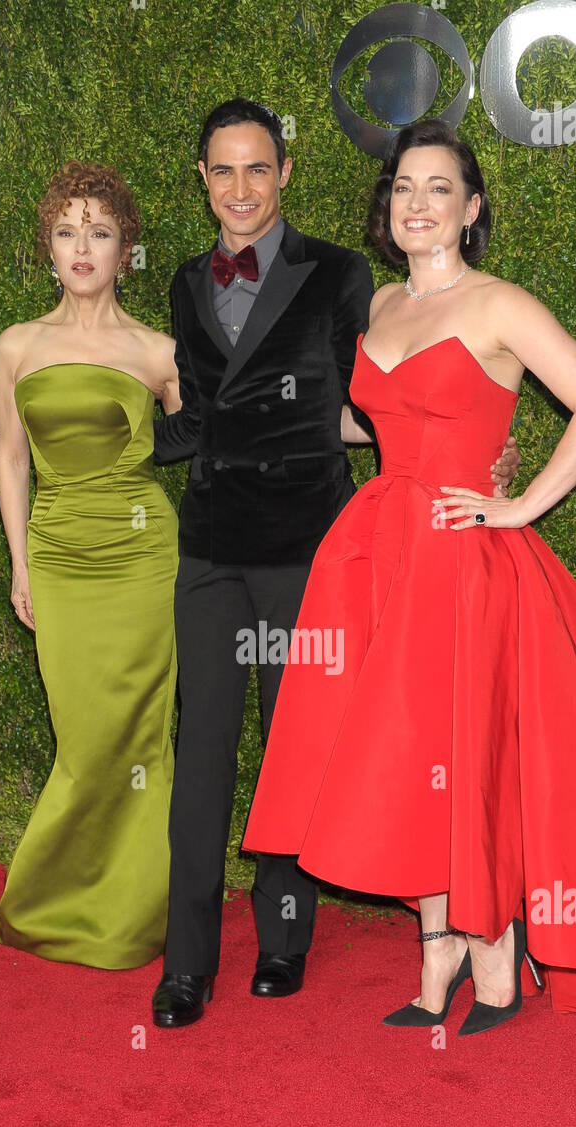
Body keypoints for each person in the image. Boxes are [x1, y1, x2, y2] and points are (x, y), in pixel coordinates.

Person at [242, 117, 576, 1033]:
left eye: (437, 189)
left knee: (463, 753)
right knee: (403, 751)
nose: (417, 204)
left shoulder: (502, 303)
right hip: (378, 551)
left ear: (469, 209)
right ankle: (438, 956)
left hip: (463, 562)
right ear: (386, 209)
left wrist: (517, 504)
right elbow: (372, 423)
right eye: (403, 188)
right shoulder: (381, 305)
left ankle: (495, 957)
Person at [148, 99, 523, 1027]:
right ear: (202, 179)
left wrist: (486, 456)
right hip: (210, 543)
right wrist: (113, 449)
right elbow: (197, 410)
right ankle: (185, 964)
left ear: (284, 174)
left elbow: (379, 394)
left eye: (257, 169)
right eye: (222, 170)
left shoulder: (344, 273)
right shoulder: (186, 282)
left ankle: (283, 944)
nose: (240, 187)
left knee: (296, 750)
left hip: (311, 547)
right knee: (199, 756)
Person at [0, 161, 181, 969]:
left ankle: (133, 919)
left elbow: (210, 441)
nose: (83, 247)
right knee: (84, 741)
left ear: (124, 246)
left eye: (99, 231)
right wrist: (20, 563)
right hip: (59, 558)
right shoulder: (18, 346)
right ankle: (53, 901)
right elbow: (11, 461)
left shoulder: (159, 351)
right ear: (48, 249)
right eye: (67, 232)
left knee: (136, 741)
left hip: (141, 559)